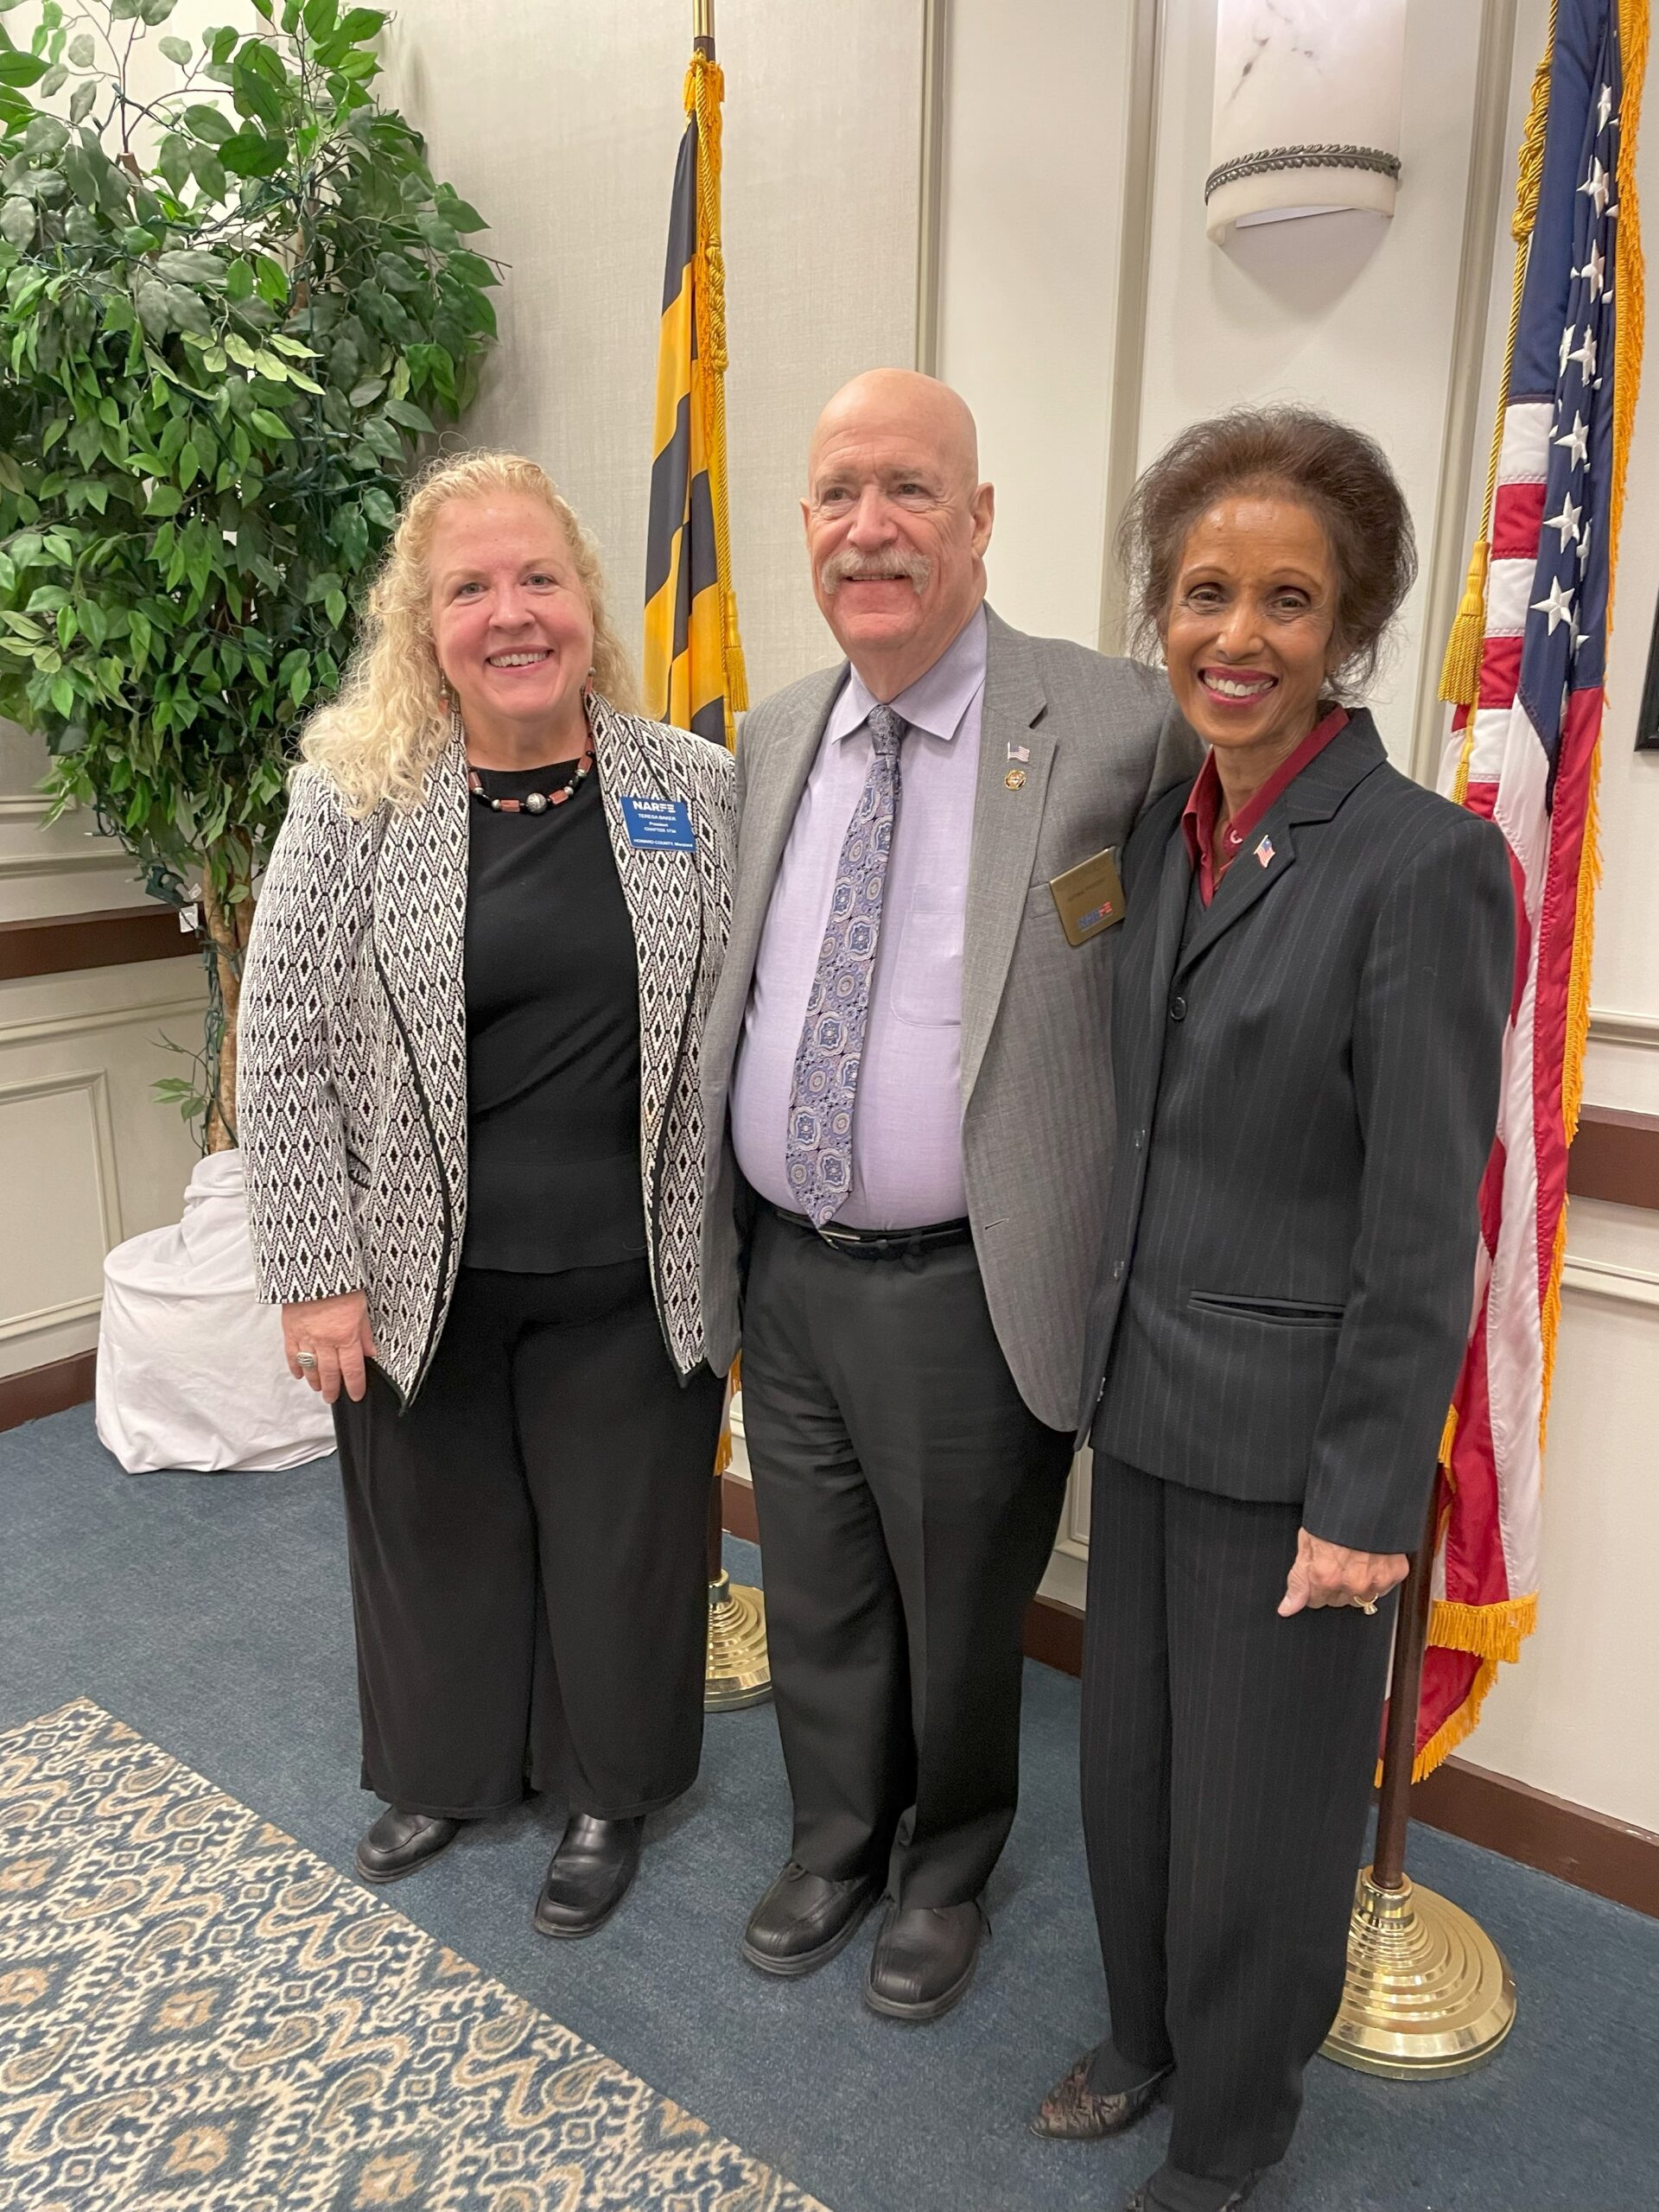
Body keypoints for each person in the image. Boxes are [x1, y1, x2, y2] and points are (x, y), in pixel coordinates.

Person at [1034, 408, 1516, 2212]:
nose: (1237, 634)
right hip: (1146, 1394)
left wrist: (1368, 1498)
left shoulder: (1422, 862)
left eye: (1287, 600)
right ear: (1161, 610)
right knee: (1136, 1772)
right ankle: (1145, 2032)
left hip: (1300, 1448)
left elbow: (1425, 1220)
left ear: (1351, 624)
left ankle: (1232, 2130)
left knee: (1266, 1817)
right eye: (1204, 592)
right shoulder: (1162, 830)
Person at [701, 368, 1199, 2022]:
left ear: (978, 520)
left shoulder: (1116, 722)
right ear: (805, 526)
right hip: (789, 1266)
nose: (871, 529)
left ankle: (946, 1864)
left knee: (961, 1607)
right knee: (819, 1584)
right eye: (840, 494)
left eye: (910, 490)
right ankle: (838, 1838)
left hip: (969, 1279)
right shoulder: (775, 733)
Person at [239, 450, 733, 1937]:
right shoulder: (354, 801)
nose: (511, 614)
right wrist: (315, 1272)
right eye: (470, 589)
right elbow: (280, 1040)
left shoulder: (694, 789)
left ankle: (607, 1791)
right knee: (436, 1539)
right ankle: (447, 1771)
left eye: (538, 579)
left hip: (634, 1277)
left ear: (587, 599)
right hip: (414, 1273)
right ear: (425, 625)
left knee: (621, 1554)